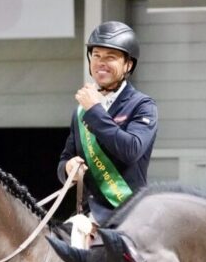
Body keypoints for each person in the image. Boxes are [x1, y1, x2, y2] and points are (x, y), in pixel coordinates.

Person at [58, 21, 159, 227]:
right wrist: (68, 168)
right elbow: (65, 159)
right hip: (88, 214)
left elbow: (131, 149)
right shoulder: (81, 111)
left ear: (128, 65)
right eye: (96, 56)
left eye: (110, 57)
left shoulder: (142, 106)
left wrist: (95, 110)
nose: (101, 63)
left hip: (129, 214)